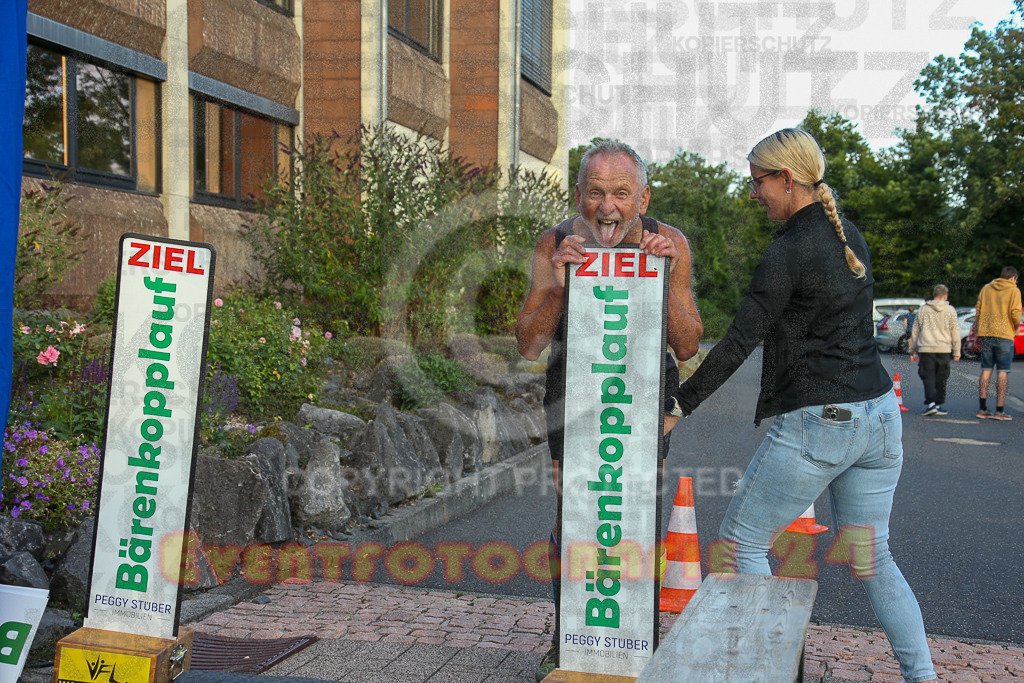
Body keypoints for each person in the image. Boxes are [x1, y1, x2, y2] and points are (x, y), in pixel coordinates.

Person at [663, 129, 936, 683]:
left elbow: (739, 341)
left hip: (822, 423)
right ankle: (923, 676)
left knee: (744, 543)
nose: (753, 193)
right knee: (873, 557)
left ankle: (761, 674)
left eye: (758, 182)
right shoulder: (847, 235)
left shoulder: (788, 251)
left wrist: (679, 405)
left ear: (786, 179)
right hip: (880, 417)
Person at [514, 140, 703, 679]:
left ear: (643, 197)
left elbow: (688, 344)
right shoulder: (553, 241)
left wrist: (664, 279)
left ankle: (635, 634)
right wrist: (557, 284)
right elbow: (528, 344)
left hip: (641, 398)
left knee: (634, 514)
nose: (607, 207)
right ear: (579, 195)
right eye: (595, 193)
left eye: (621, 193)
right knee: (571, 515)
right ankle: (567, 633)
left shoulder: (671, 242)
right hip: (570, 396)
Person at [974, 266, 1022, 421]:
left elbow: (978, 311)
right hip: (1004, 335)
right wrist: (1015, 328)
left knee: (986, 370)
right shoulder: (1014, 290)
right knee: (1002, 371)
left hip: (987, 334)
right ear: (1013, 278)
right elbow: (1015, 313)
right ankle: (999, 410)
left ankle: (982, 408)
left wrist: (977, 334)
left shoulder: (987, 288)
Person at [910, 285, 960, 416]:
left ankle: (931, 403)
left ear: (934, 294)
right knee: (942, 377)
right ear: (945, 296)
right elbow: (955, 331)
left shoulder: (923, 309)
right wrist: (957, 351)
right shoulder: (950, 310)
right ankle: (938, 403)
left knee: (928, 376)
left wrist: (912, 348)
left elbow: (915, 330)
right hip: (943, 348)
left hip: (926, 347)